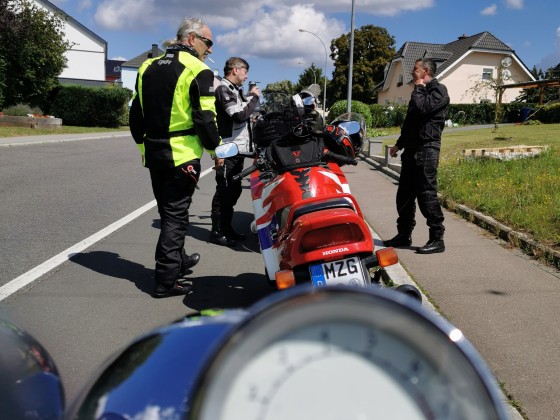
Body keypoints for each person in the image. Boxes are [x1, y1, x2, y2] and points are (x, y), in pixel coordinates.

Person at [129, 17, 222, 297]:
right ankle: (166, 280)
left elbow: (136, 116)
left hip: (154, 152)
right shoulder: (199, 70)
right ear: (191, 39)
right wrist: (217, 152)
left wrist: (143, 148)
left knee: (167, 211)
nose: (210, 50)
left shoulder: (147, 66)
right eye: (208, 42)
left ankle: (178, 261)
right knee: (176, 217)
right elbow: (206, 120)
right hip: (181, 156)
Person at [384, 58, 450, 254]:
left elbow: (423, 109)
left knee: (426, 196)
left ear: (426, 71)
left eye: (415, 69)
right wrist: (399, 144)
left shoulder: (439, 90)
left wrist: (419, 87)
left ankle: (437, 239)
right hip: (412, 151)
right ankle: (404, 234)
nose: (412, 72)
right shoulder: (418, 92)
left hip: (427, 150)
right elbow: (411, 122)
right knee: (404, 196)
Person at [209, 57, 260, 247]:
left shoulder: (233, 90)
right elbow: (239, 115)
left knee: (233, 190)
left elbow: (242, 111)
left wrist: (248, 97)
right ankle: (217, 232)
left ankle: (226, 228)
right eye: (245, 71)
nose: (247, 76)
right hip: (227, 148)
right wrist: (254, 97)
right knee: (224, 191)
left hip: (237, 150)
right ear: (235, 70)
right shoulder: (223, 88)